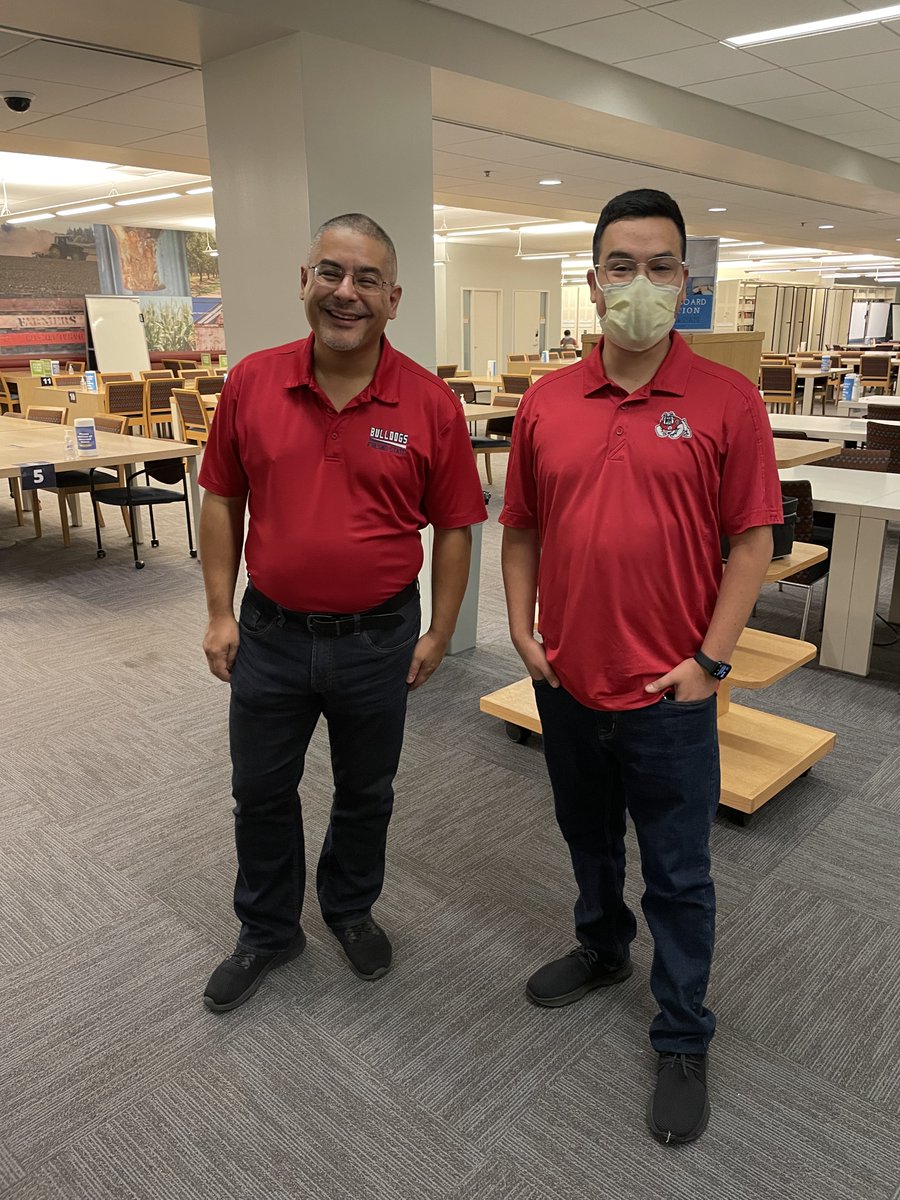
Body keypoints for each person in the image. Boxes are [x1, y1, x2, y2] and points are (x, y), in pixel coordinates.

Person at [500, 189, 781, 1145]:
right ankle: (602, 949)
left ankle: (684, 1032)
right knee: (588, 842)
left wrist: (710, 660)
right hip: (570, 681)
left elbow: (752, 543)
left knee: (678, 871)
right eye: (622, 265)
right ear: (593, 280)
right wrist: (522, 631)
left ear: (686, 285)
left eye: (660, 267)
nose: (640, 284)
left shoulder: (727, 402)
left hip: (671, 692)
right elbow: (523, 528)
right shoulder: (546, 401)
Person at [199, 212, 487, 1013]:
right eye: (330, 273)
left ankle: (350, 909)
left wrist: (439, 628)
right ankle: (267, 929)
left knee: (367, 792)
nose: (345, 293)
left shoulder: (429, 403)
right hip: (270, 634)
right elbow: (221, 497)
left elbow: (457, 526)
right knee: (260, 790)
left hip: (378, 639)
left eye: (366, 280)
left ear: (393, 299)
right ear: (304, 283)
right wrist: (219, 612)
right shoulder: (254, 380)